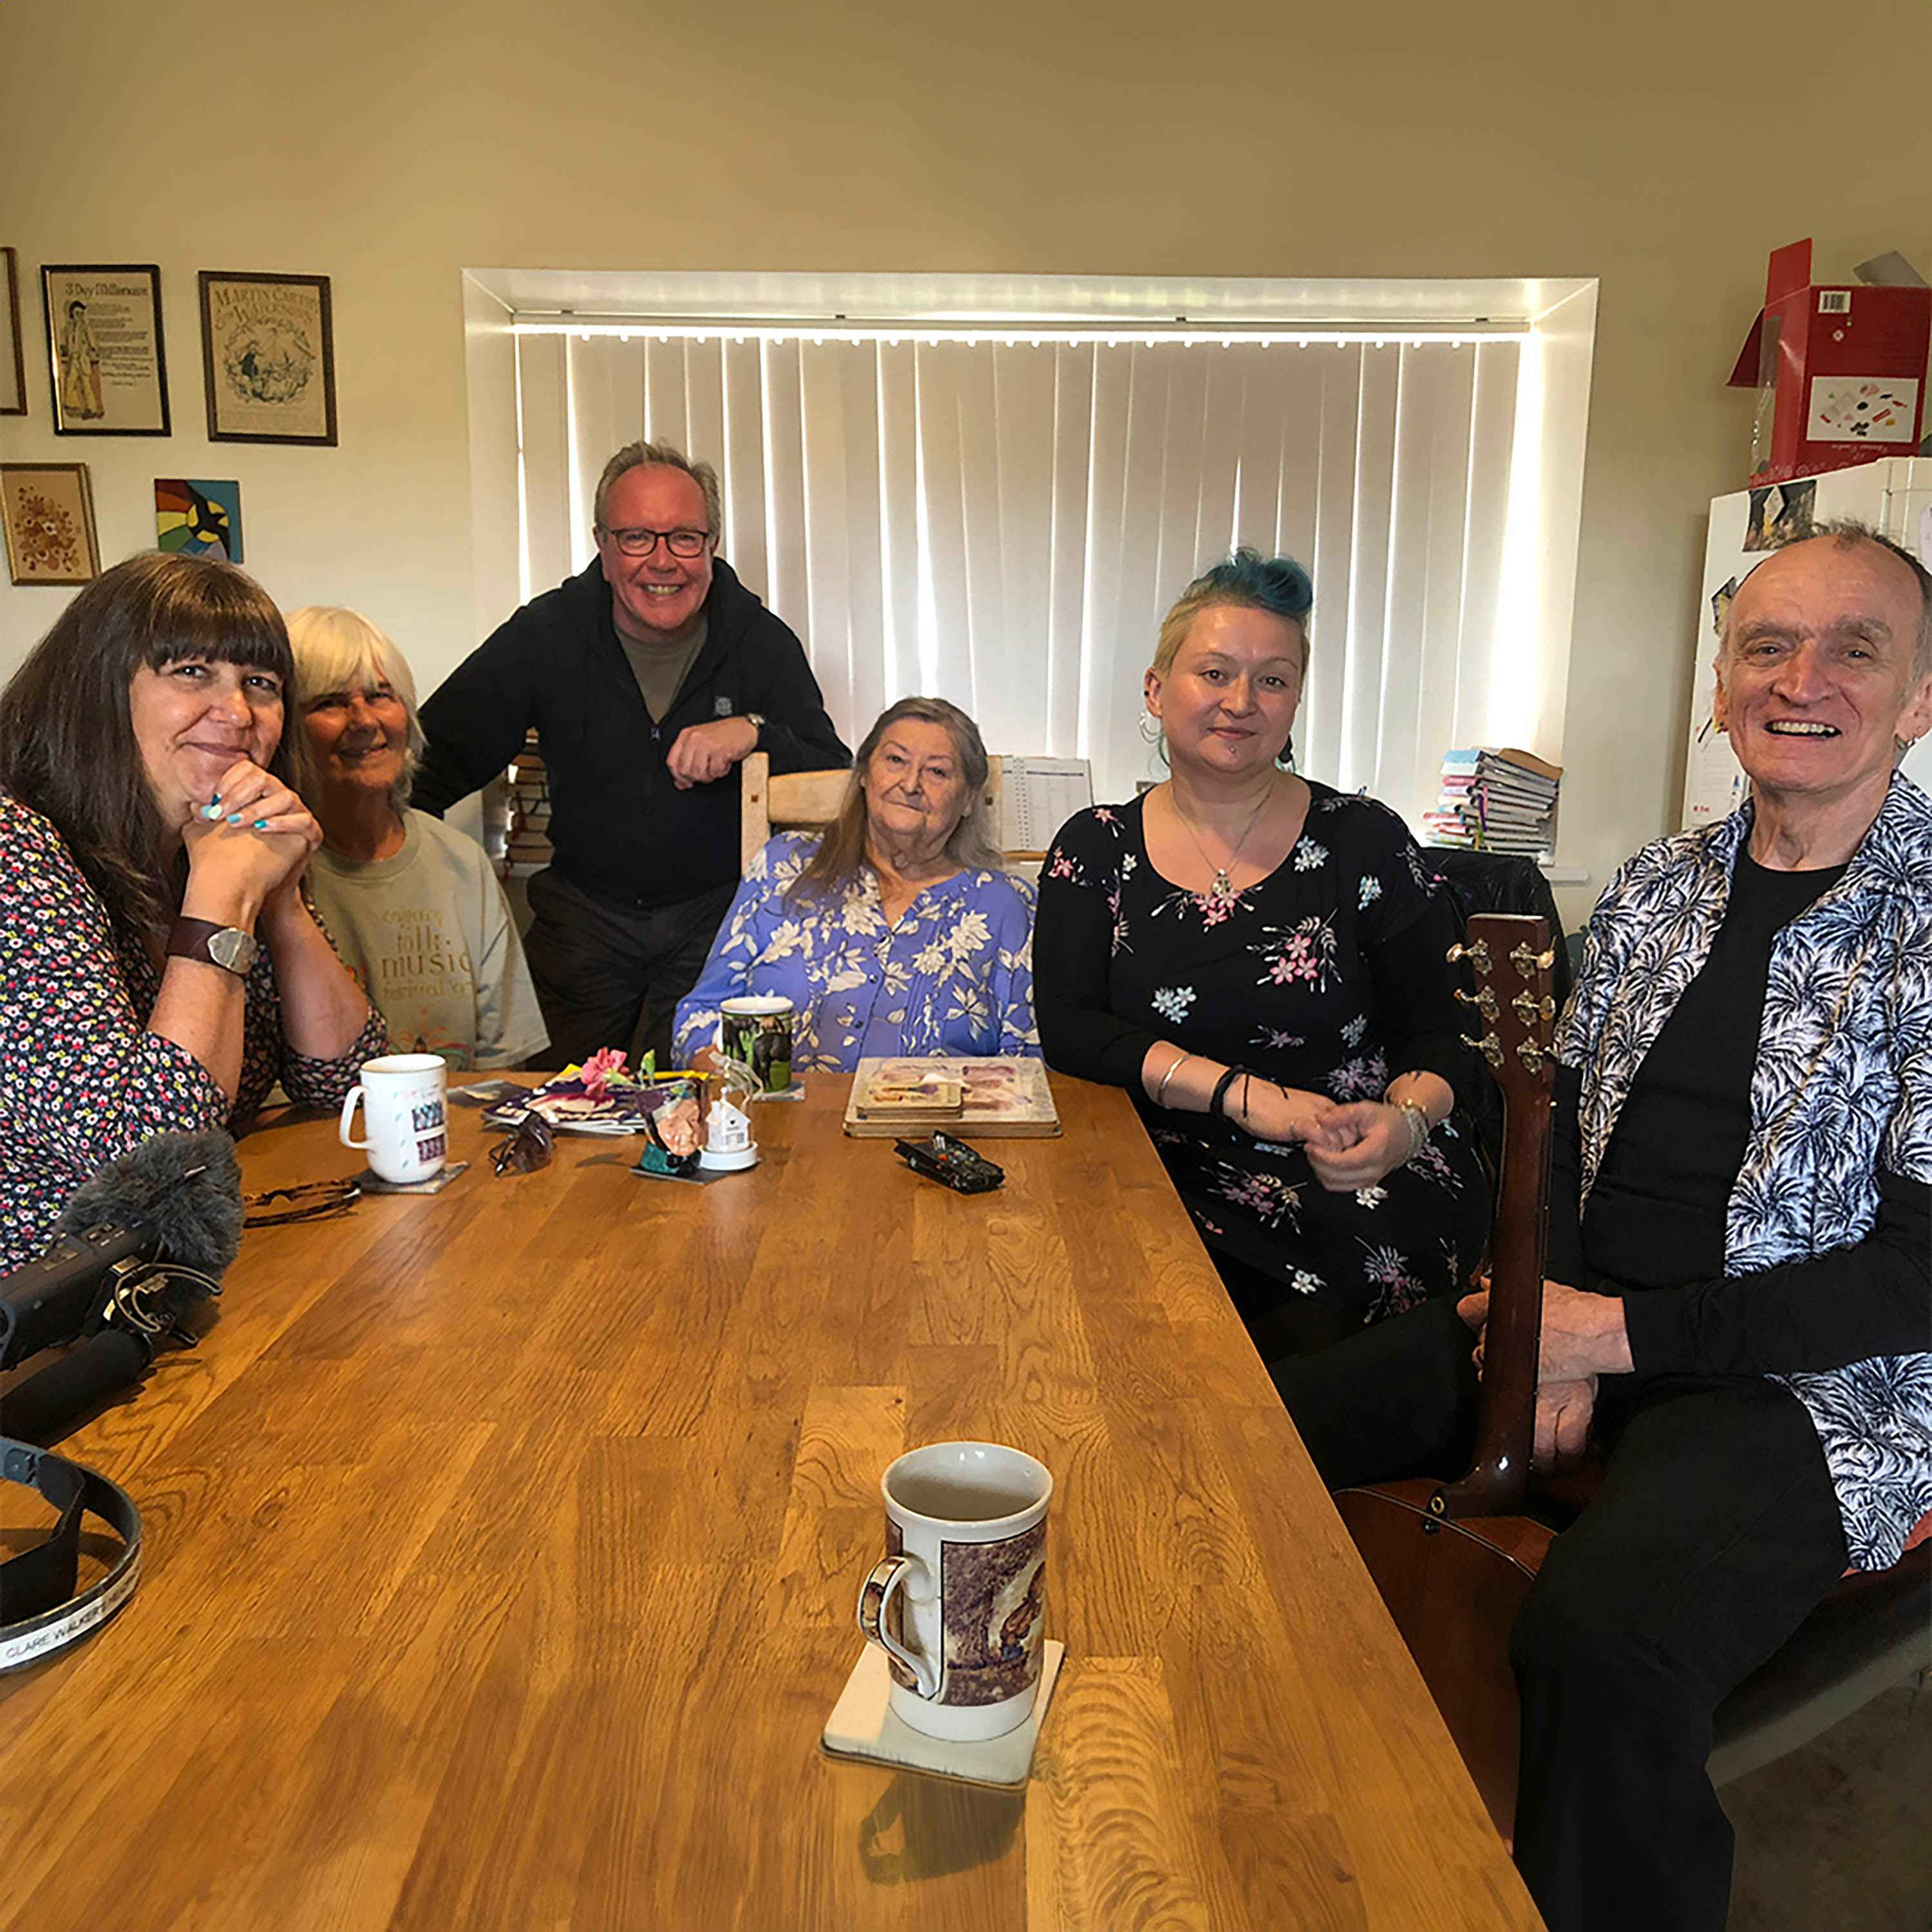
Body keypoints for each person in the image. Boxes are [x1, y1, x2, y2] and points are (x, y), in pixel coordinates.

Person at [1272, 524, 1932, 1932]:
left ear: (1920, 699)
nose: (1800, 677)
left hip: (1809, 1391)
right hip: (1583, 1321)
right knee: (1246, 1438)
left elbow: (1917, 1279)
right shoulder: (1649, 892)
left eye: (1853, 649)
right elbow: (1553, 1135)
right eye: (1766, 644)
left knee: (1604, 1639)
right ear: (1721, 683)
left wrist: (1602, 1340)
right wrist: (1546, 1317)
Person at [1033, 550, 1486, 1356]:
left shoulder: (1364, 840)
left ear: (1295, 701)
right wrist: (1241, 1095)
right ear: (1155, 687)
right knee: (1092, 1303)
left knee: (1330, 1318)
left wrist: (1406, 1126)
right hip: (1158, 1161)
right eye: (1214, 672)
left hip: (1350, 1165)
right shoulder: (1095, 846)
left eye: (1272, 680)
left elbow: (1446, 1030)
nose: (1240, 703)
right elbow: (1069, 1027)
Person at [0, 553, 386, 1271]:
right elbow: (147, 1164)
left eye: (260, 684)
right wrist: (220, 898)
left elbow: (353, 1087)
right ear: (101, 689)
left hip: (177, 1284)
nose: (237, 714)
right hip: (40, 1336)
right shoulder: (13, 849)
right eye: (190, 672)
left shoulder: (211, 845)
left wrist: (283, 899)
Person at [412, 439, 850, 1069]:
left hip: (720, 920)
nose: (663, 562)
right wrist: (363, 850)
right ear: (603, 544)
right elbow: (438, 754)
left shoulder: (761, 642)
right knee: (552, 1110)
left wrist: (755, 732)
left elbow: (832, 777)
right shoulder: (546, 634)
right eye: (637, 537)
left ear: (713, 544)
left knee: (718, 1110)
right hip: (586, 918)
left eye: (684, 538)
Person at [674, 697, 1037, 1069]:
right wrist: (732, 1087)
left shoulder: (1006, 904)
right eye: (896, 760)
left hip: (936, 1124)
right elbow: (698, 1018)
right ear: (864, 773)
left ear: (968, 800)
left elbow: (1029, 1061)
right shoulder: (785, 866)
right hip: (782, 1119)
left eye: (937, 773)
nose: (911, 784)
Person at [285, 605, 548, 1074]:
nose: (364, 720)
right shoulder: (276, 874)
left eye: (380, 696)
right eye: (329, 702)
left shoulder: (461, 862)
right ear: (286, 730)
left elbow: (503, 1068)